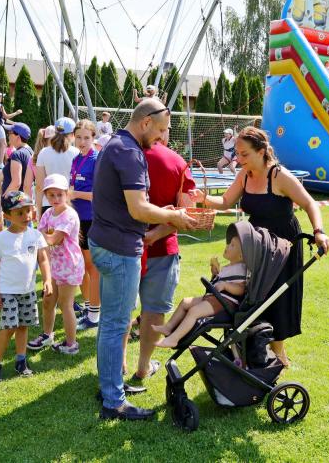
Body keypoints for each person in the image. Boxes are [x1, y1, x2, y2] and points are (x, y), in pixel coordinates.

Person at [88, 97, 197, 420]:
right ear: (146, 122)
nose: (162, 137)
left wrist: (165, 214)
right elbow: (138, 209)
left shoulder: (113, 144)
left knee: (110, 323)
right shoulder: (130, 152)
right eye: (161, 130)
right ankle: (113, 401)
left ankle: (108, 386)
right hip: (120, 249)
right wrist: (173, 216)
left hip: (104, 242)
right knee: (116, 324)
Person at [193, 126, 329, 367]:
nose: (238, 159)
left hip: (283, 244)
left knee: (278, 298)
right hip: (256, 244)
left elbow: (310, 203)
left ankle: (278, 355)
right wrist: (202, 197)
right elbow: (225, 201)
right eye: (237, 154)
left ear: (261, 151)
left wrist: (318, 231)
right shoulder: (244, 174)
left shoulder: (279, 176)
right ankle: (259, 349)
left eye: (244, 154)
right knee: (255, 295)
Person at [126, 124, 196, 386]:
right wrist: (156, 234)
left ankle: (119, 364)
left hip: (124, 246)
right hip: (161, 249)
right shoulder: (177, 162)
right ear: (163, 131)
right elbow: (188, 212)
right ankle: (143, 367)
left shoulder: (122, 154)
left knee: (121, 310)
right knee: (154, 311)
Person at [0, 190, 52, 384]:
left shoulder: (35, 235)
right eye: (20, 213)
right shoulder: (1, 239)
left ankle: (21, 361)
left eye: (28, 211)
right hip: (7, 292)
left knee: (23, 326)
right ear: (7, 216)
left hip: (27, 291)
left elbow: (43, 259)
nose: (26, 216)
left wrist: (47, 280)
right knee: (9, 328)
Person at [153, 232, 246, 348]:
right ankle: (168, 327)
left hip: (225, 303)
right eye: (229, 243)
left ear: (241, 256)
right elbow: (218, 283)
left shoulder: (241, 269)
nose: (227, 246)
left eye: (232, 245)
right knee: (185, 302)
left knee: (194, 311)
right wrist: (215, 274)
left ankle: (174, 339)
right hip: (215, 298)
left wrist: (226, 286)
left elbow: (241, 289)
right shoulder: (229, 267)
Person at [28, 174, 85, 355]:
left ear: (67, 194)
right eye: (51, 195)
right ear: (46, 195)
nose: (56, 199)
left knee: (65, 304)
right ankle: (47, 335)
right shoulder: (47, 213)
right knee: (47, 301)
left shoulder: (69, 215)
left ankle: (71, 344)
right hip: (53, 265)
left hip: (69, 265)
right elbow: (41, 237)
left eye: (60, 194)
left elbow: (53, 239)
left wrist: (32, 234)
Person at [70, 119, 101, 331]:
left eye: (86, 138)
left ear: (93, 138)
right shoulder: (76, 159)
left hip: (91, 218)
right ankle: (89, 307)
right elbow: (73, 186)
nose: (82, 141)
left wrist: (75, 194)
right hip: (76, 218)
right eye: (79, 137)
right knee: (80, 267)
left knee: (92, 267)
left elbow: (98, 194)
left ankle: (94, 314)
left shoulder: (96, 159)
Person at [34, 117, 78, 220]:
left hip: (48, 204)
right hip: (69, 205)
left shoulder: (43, 152)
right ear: (73, 134)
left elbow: (39, 186)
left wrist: (39, 213)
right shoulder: (76, 153)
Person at [0, 92, 23, 168]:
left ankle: (2, 162)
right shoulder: (0, 105)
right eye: (1, 97)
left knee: (3, 144)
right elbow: (6, 116)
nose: (2, 98)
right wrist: (16, 113)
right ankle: (0, 163)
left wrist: (14, 123)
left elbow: (4, 119)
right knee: (3, 144)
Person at [1, 123, 33, 197]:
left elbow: (16, 183)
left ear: (18, 137)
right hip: (24, 199)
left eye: (10, 133)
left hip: (14, 200)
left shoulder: (17, 154)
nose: (8, 135)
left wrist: (4, 198)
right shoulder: (31, 152)